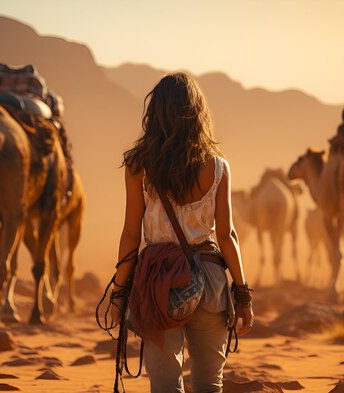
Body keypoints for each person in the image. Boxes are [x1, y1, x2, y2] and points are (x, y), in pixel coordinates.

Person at [111, 72, 254, 392]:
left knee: (164, 385)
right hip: (211, 280)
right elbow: (228, 235)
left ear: (154, 114)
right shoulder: (218, 167)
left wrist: (119, 293)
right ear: (198, 113)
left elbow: (131, 235)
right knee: (208, 384)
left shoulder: (138, 165)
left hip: (158, 281)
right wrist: (243, 294)